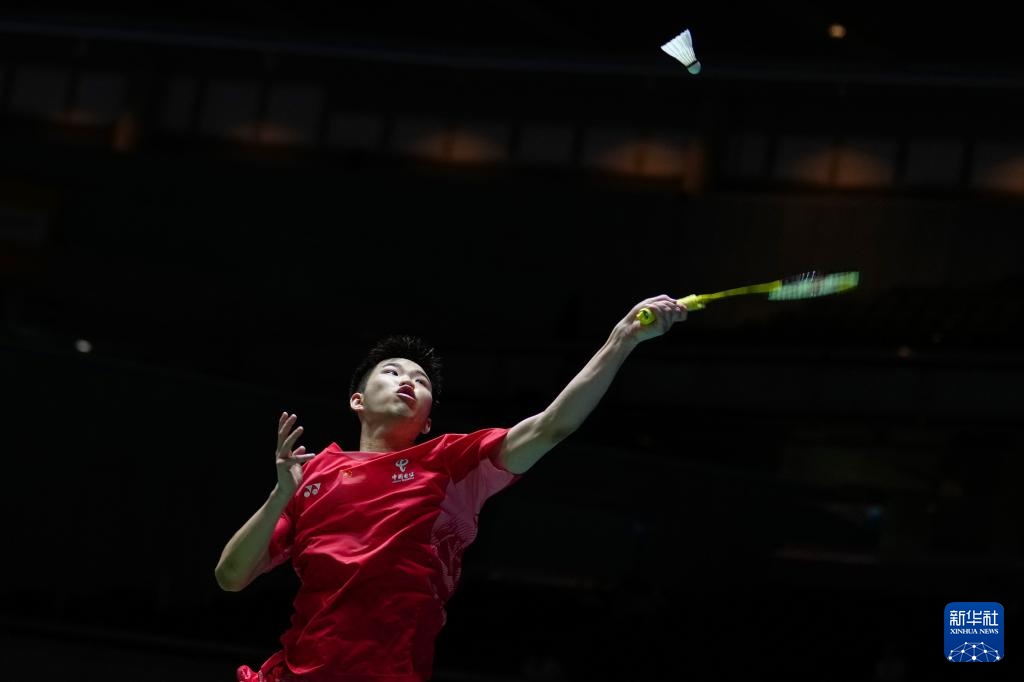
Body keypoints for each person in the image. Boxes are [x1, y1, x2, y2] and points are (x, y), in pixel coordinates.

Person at [215, 295, 687, 682]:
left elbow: (550, 428)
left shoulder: (449, 463)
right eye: (392, 372)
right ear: (357, 400)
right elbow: (230, 576)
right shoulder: (311, 474)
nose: (408, 381)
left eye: (420, 381)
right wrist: (279, 496)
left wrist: (621, 338)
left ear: (427, 422)